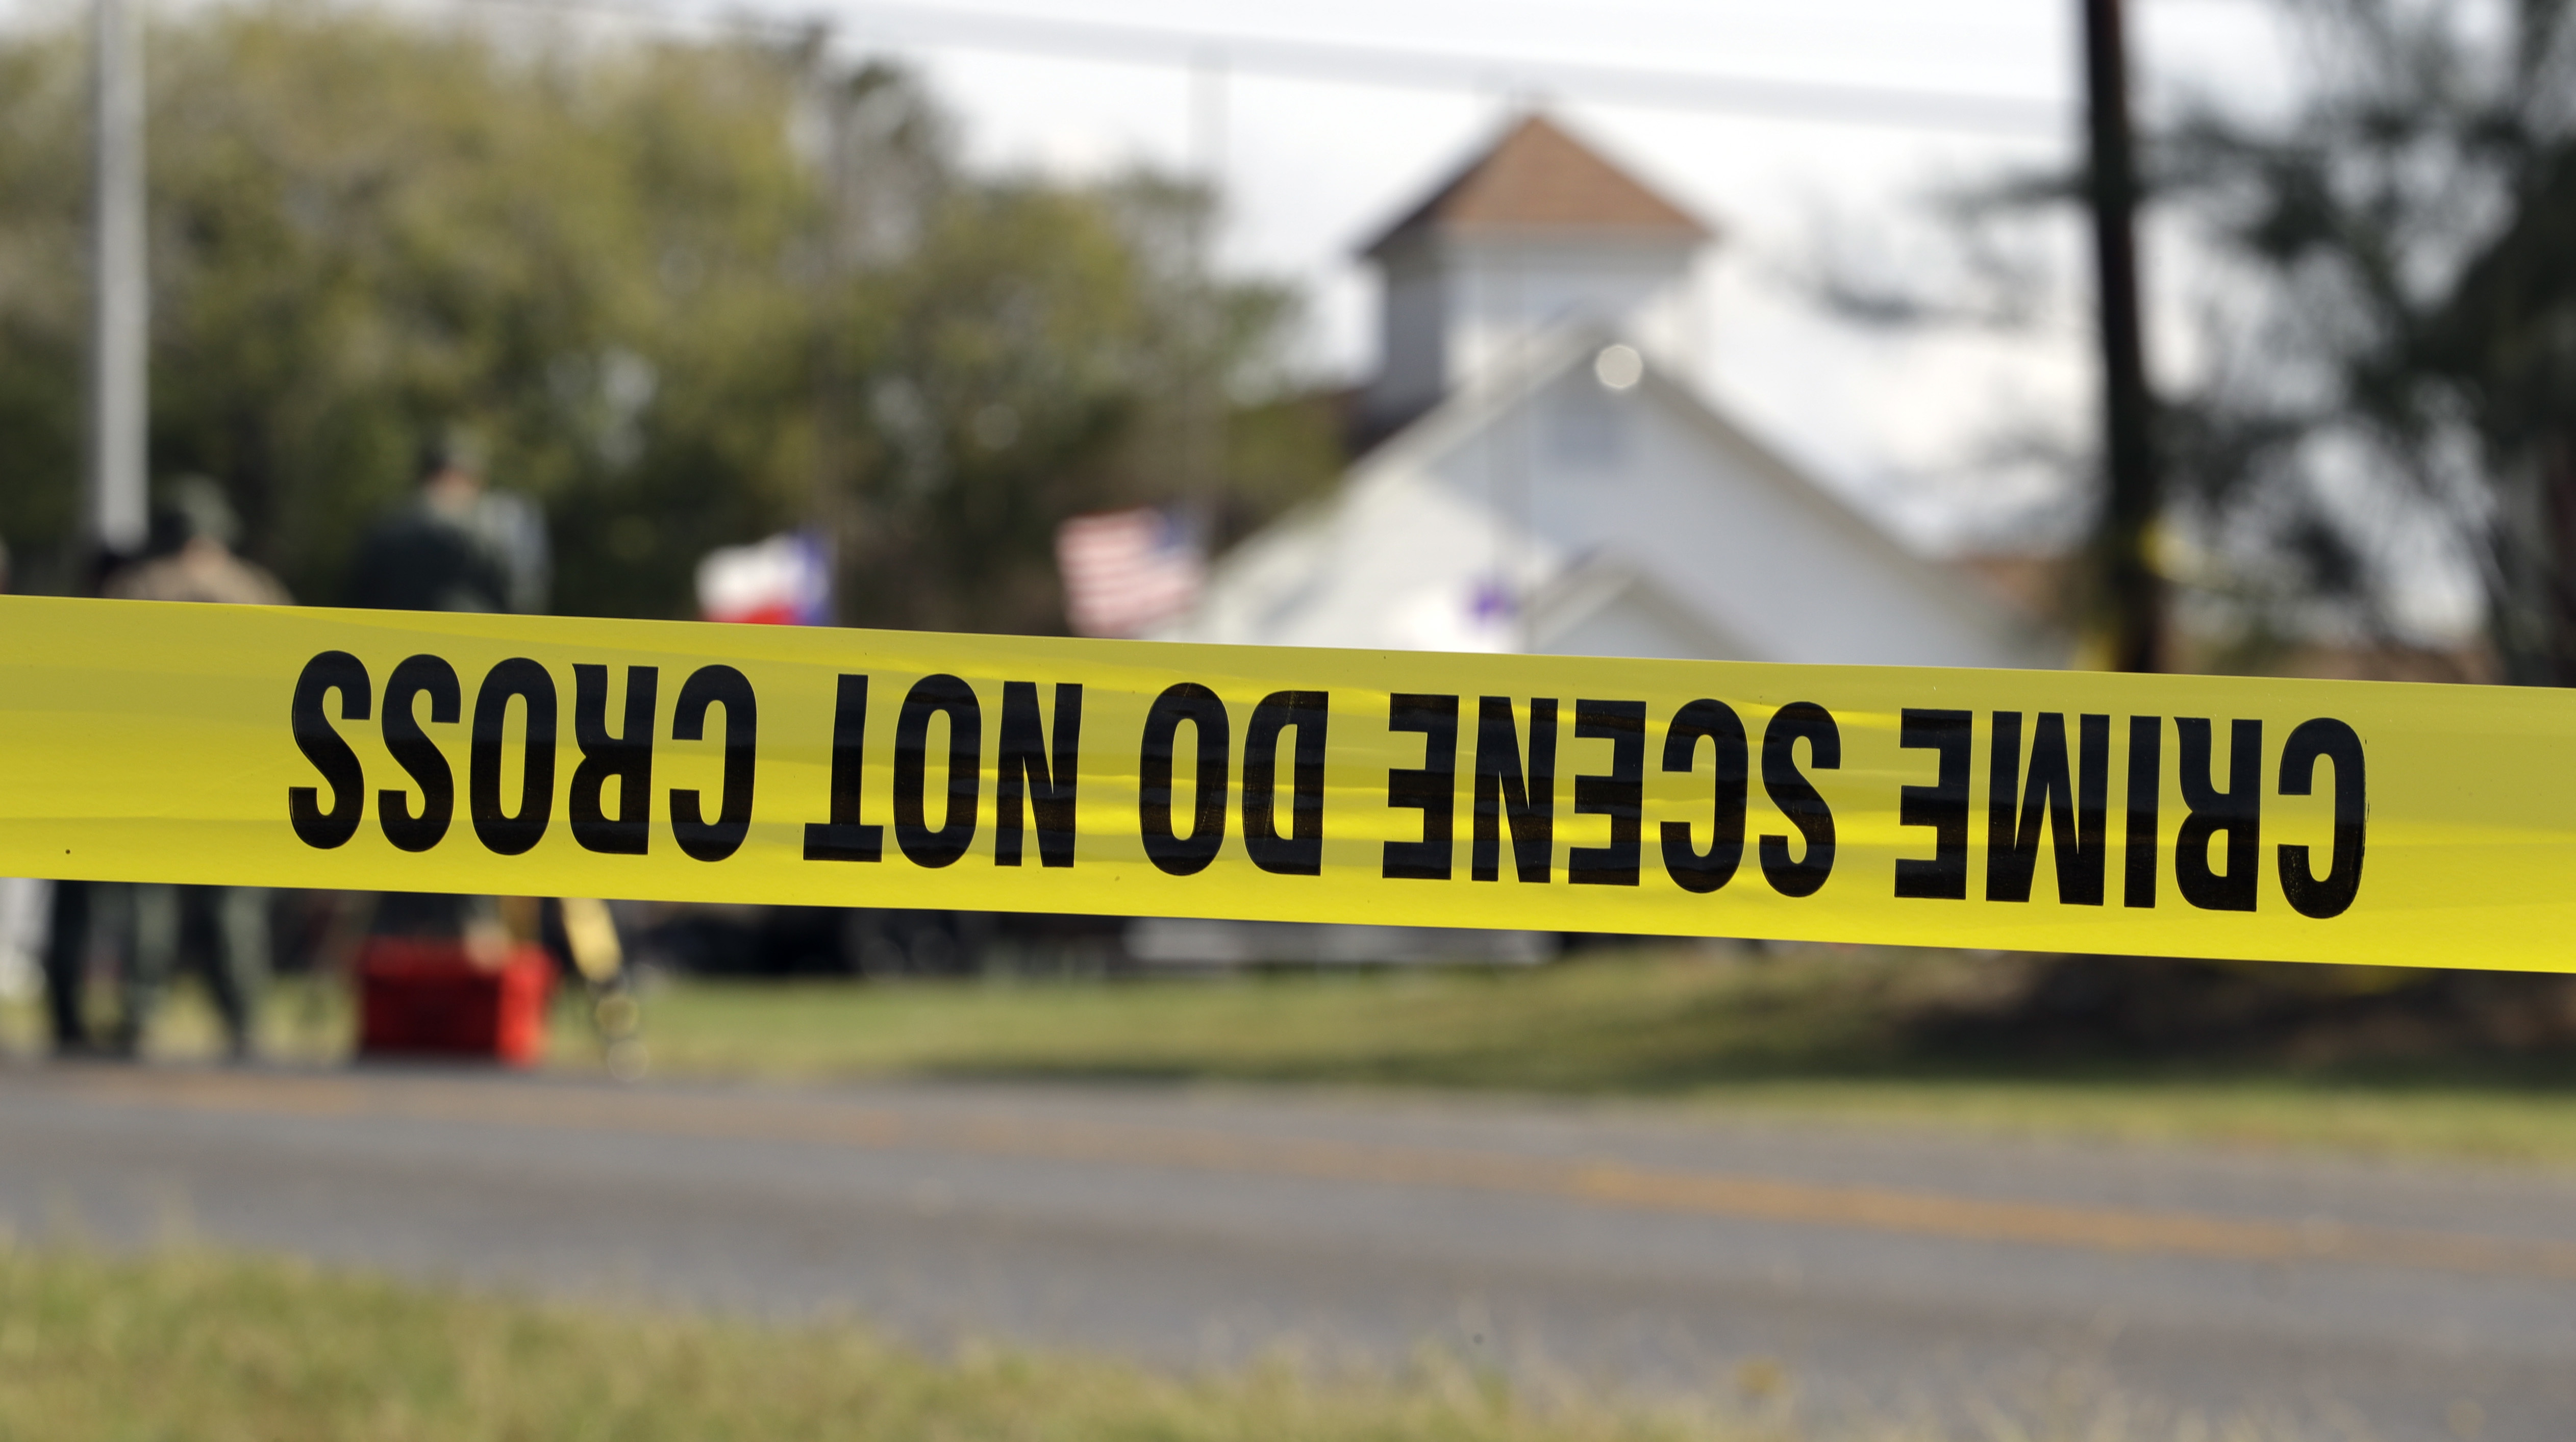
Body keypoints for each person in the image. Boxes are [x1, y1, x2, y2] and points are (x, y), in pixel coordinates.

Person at [94, 477, 293, 1060]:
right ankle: (244, 1017)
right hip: (236, 761)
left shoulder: (136, 587)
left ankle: (142, 1011)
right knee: (235, 901)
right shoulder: (254, 588)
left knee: (146, 896)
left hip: (154, 758)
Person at [347, 431, 548, 615]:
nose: (450, 485)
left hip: (481, 642)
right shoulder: (392, 528)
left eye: (457, 477)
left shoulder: (506, 519)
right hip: (406, 643)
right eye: (445, 476)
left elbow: (526, 592)